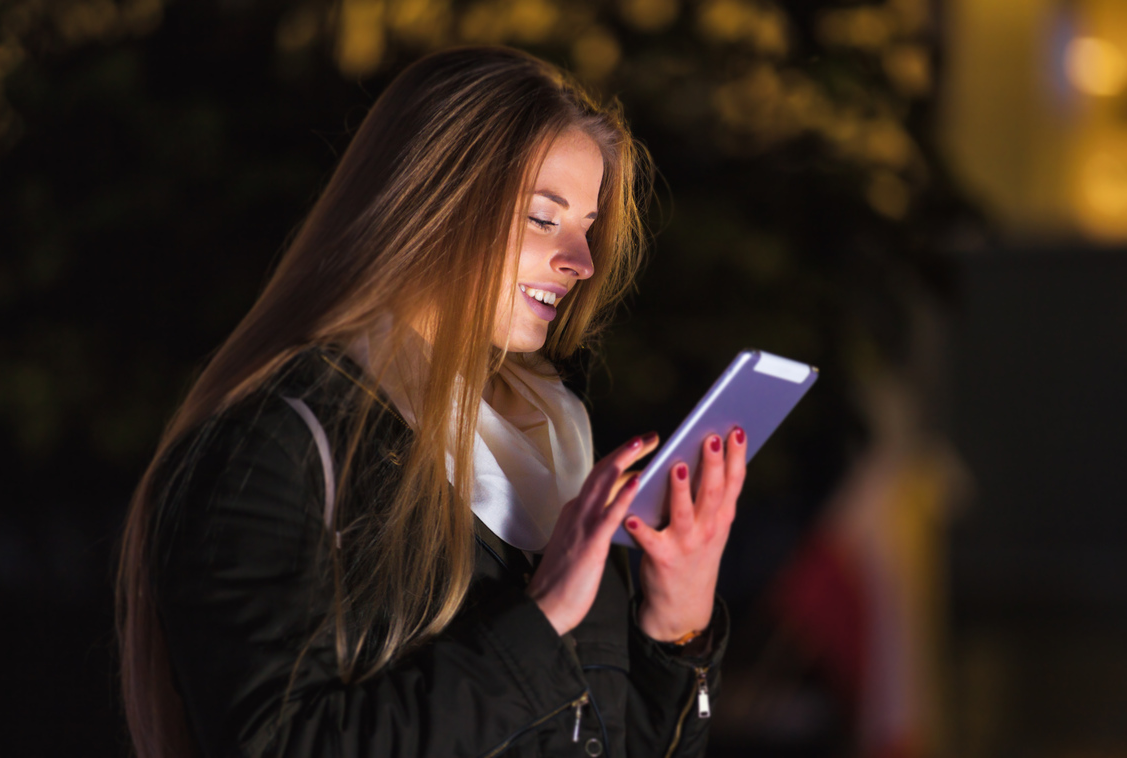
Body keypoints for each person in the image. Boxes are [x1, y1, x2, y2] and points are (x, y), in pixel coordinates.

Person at [116, 46, 747, 758]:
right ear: (436, 202)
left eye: (587, 229)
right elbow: (274, 744)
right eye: (544, 220)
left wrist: (677, 627)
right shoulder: (274, 443)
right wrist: (539, 623)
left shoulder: (552, 442)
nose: (582, 263)